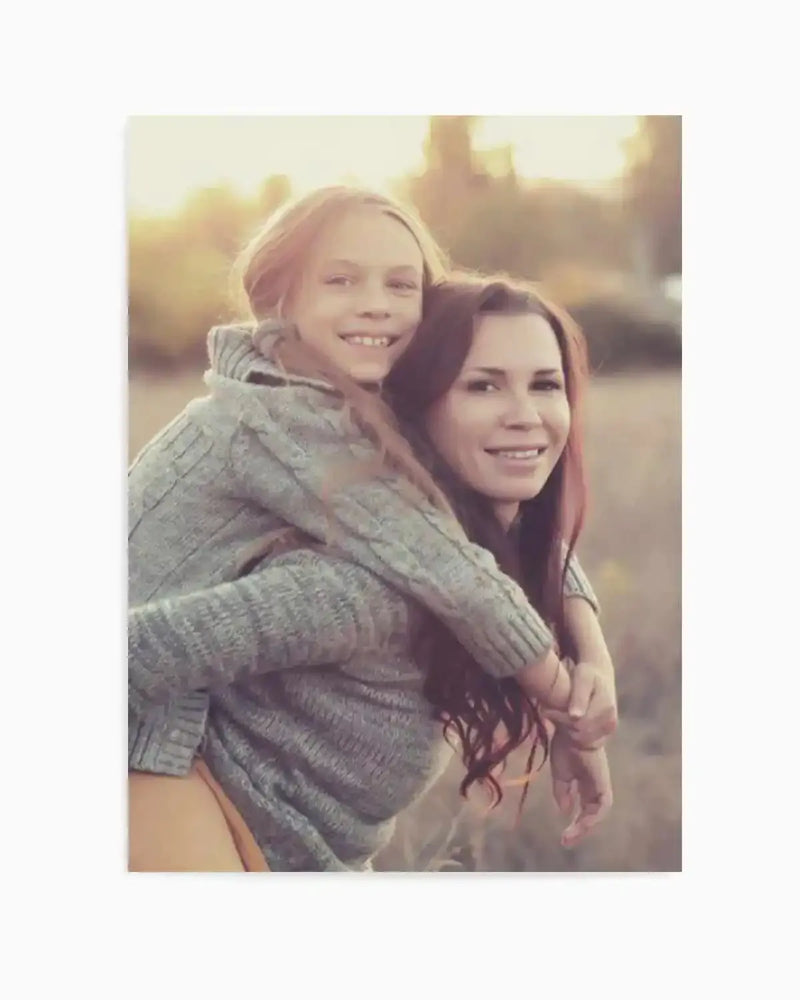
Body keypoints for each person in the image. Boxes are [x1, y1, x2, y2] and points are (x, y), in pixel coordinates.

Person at [128, 187, 616, 869]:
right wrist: (572, 709)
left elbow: (508, 545)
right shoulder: (286, 434)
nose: (375, 304)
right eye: (481, 385)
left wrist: (589, 648)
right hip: (150, 750)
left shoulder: (365, 450)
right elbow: (454, 570)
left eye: (546, 384)